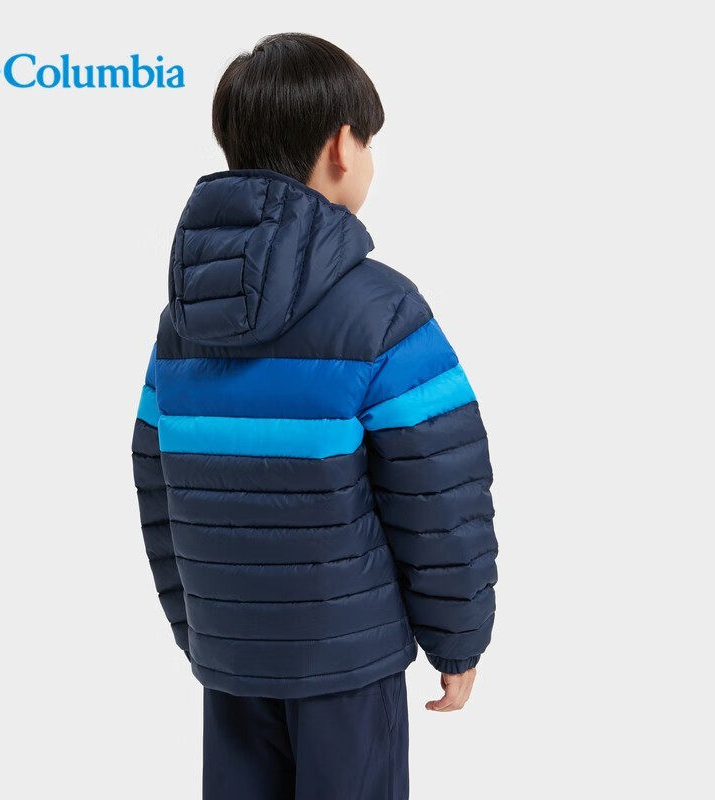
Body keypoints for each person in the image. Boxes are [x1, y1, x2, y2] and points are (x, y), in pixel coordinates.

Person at [131, 32, 497, 800]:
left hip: (231, 660)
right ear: (340, 145)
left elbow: (157, 485)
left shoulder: (181, 323)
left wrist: (198, 627)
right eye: (369, 142)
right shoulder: (383, 310)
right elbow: (439, 491)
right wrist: (458, 637)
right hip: (346, 664)